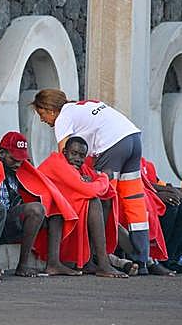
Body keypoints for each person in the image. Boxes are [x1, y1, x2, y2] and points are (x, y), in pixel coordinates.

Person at [31, 89, 150, 274]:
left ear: (50, 110)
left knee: (104, 202)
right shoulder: (81, 107)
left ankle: (100, 259)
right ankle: (143, 261)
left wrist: (91, 178)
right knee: (134, 204)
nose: (42, 120)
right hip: (133, 138)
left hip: (112, 145)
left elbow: (65, 159)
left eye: (41, 114)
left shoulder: (63, 117)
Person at [0, 132, 80, 277]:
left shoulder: (21, 170)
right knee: (14, 209)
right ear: (2, 153)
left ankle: (53, 263)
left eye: (21, 160)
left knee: (55, 210)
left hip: (11, 221)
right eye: (14, 159)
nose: (18, 164)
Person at [38, 137, 127, 277]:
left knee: (104, 200)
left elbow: (104, 189)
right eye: (74, 153)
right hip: (41, 213)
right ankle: (103, 263)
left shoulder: (80, 167)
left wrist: (95, 180)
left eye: (82, 156)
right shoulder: (57, 163)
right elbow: (92, 190)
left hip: (59, 209)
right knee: (93, 201)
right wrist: (104, 177)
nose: (78, 159)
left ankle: (89, 261)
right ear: (65, 152)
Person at [141, 158, 182, 273]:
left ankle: (171, 258)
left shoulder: (148, 165)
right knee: (171, 206)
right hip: (140, 202)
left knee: (181, 203)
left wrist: (173, 190)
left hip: (152, 198)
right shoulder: (122, 159)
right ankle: (160, 258)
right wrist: (162, 192)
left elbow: (159, 184)